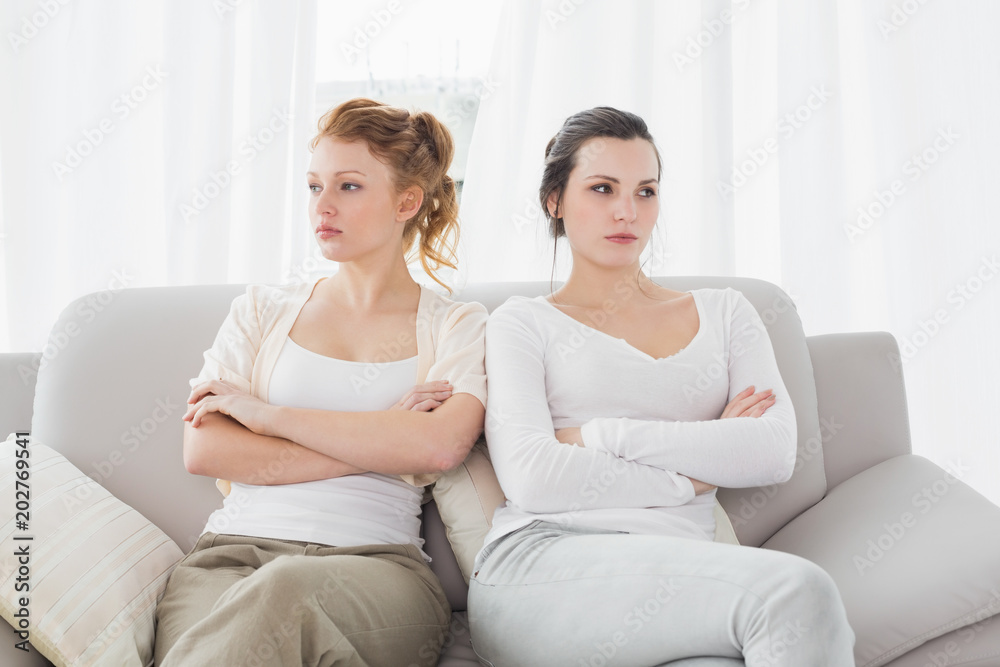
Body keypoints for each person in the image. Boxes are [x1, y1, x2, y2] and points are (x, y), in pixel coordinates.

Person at [467, 106, 855, 666]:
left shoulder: (727, 313)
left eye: (645, 191)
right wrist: (700, 468)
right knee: (797, 592)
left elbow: (770, 453)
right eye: (602, 188)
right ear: (555, 200)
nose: (627, 211)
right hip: (542, 565)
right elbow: (535, 479)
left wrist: (596, 435)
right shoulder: (520, 323)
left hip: (679, 573)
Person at [153, 98, 487, 667]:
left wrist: (267, 417)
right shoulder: (261, 311)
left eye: (348, 187)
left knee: (284, 591)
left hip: (376, 568)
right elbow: (205, 447)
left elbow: (439, 444)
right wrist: (385, 440)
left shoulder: (457, 324)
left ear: (407, 202)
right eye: (313, 187)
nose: (322, 207)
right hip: (228, 561)